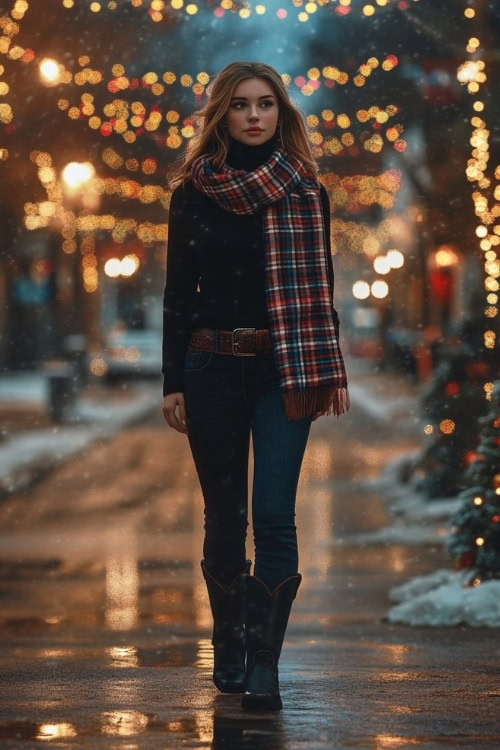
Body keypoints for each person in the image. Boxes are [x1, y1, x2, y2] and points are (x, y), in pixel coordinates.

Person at [162, 61, 349, 711]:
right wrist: (171, 380)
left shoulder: (306, 192)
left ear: (281, 113)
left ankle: (265, 663)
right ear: (223, 114)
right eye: (240, 104)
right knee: (225, 516)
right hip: (209, 366)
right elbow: (177, 295)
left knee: (273, 514)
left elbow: (317, 289)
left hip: (281, 370)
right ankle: (231, 638)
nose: (253, 115)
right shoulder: (194, 193)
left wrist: (321, 363)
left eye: (265, 104)